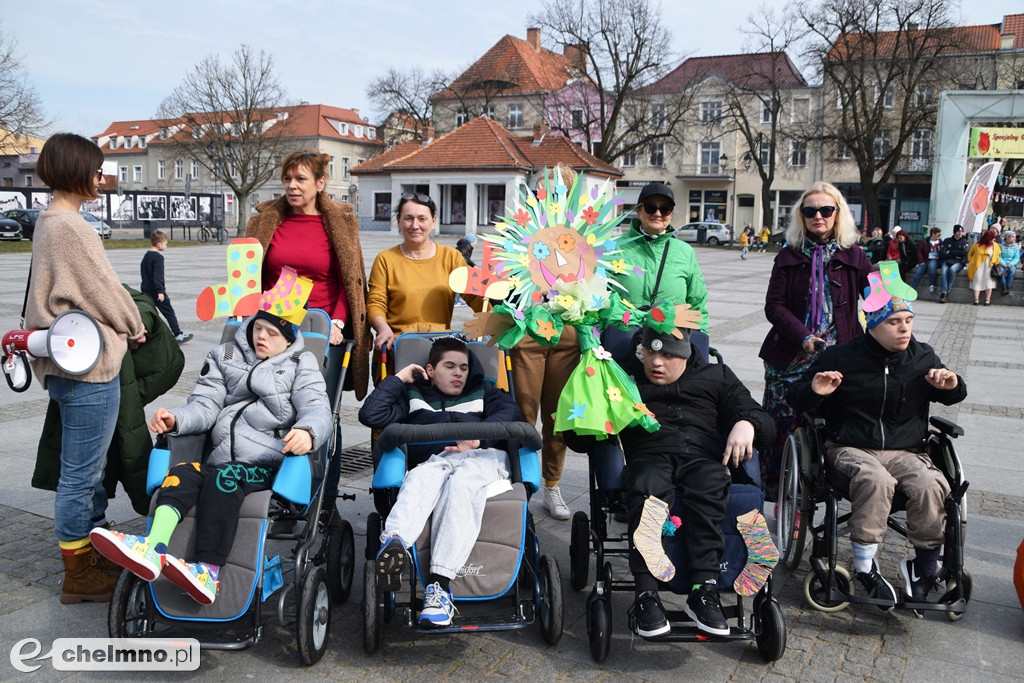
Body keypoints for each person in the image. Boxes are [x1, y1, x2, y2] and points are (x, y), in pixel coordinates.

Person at [90, 306, 332, 605]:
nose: (261, 337)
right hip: (219, 460)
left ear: (288, 338)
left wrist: (308, 431)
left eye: (272, 333)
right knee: (183, 474)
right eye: (258, 328)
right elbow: (204, 406)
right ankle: (153, 547)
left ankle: (207, 570)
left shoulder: (300, 362)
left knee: (224, 478)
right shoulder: (225, 355)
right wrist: (176, 420)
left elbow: (316, 406)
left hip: (268, 463)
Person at [23, 133, 148, 604]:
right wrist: (135, 326)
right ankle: (78, 572)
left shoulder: (48, 220)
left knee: (85, 469)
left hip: (67, 362)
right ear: (76, 170)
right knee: (82, 473)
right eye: (96, 170)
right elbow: (104, 289)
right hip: (88, 367)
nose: (101, 178)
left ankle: (89, 550)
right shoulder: (70, 226)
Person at [787, 286, 966, 609]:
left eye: (909, 320)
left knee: (930, 483)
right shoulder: (840, 357)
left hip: (906, 450)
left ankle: (923, 568)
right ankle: (865, 566)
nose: (905, 329)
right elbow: (796, 399)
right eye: (894, 322)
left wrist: (952, 386)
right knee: (876, 480)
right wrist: (816, 390)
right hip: (849, 447)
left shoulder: (922, 357)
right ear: (872, 324)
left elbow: (952, 392)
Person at [617, 322, 774, 638]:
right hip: (650, 456)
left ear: (687, 353)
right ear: (641, 350)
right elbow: (581, 438)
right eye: (649, 353)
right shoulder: (623, 379)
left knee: (711, 483)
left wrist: (747, 423)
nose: (657, 363)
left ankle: (704, 591)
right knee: (649, 490)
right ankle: (646, 593)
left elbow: (763, 422)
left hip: (702, 458)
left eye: (669, 357)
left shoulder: (717, 377)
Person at [360, 337, 522, 627]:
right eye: (449, 366)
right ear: (430, 370)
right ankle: (395, 542)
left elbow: (511, 415)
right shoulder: (413, 396)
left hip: (480, 458)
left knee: (461, 483)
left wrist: (478, 436)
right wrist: (399, 379)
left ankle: (440, 584)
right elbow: (371, 414)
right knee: (420, 477)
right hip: (435, 459)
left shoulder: (484, 391)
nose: (458, 373)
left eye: (463, 367)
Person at [246, 148, 371, 508]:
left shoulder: (341, 222)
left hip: (321, 330)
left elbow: (352, 281)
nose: (292, 186)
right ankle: (271, 485)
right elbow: (250, 277)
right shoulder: (265, 220)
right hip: (272, 328)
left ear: (320, 183)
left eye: (300, 179)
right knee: (270, 405)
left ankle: (324, 497)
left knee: (319, 410)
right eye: (287, 178)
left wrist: (338, 322)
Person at [758, 182, 872, 498]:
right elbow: (774, 306)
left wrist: (900, 324)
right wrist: (804, 337)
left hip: (840, 353)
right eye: (810, 211)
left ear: (838, 214)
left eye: (825, 210)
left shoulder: (856, 255)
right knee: (783, 427)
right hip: (791, 356)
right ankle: (783, 495)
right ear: (802, 216)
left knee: (835, 426)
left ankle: (828, 486)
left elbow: (880, 300)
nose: (817, 216)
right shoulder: (788, 255)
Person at [509, 164, 582, 521]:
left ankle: (552, 484)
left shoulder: (584, 234)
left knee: (558, 416)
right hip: (528, 336)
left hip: (567, 338)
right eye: (546, 191)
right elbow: (501, 281)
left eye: (560, 192)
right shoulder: (519, 230)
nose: (552, 197)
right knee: (524, 412)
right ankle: (521, 483)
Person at [367, 193, 479, 376]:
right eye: (408, 218)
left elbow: (474, 296)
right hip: (397, 347)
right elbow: (375, 302)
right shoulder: (385, 259)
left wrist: (496, 316)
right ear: (398, 221)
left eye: (422, 219)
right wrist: (382, 328)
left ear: (433, 221)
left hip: (439, 351)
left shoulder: (451, 257)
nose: (415, 226)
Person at [612, 182, 709, 333]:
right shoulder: (614, 248)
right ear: (638, 210)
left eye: (665, 209)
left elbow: (698, 303)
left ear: (671, 214)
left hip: (671, 343)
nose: (657, 214)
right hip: (623, 338)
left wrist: (700, 342)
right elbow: (600, 300)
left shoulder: (684, 251)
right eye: (650, 207)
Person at [140, 230, 192, 344]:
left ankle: (143, 334)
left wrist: (162, 285)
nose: (166, 246)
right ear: (159, 243)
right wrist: (160, 290)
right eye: (165, 243)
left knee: (149, 313)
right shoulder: (158, 257)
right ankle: (178, 334)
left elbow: (146, 274)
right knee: (169, 312)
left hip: (146, 289)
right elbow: (157, 275)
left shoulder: (146, 256)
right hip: (156, 291)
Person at [966, 228, 1001, 306]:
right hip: (978, 266)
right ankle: (976, 300)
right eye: (992, 238)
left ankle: (987, 300)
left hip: (990, 266)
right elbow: (969, 254)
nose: (993, 240)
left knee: (989, 283)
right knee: (977, 280)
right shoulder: (977, 245)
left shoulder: (995, 245)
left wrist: (996, 261)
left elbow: (998, 255)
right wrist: (972, 261)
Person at [938, 224, 970, 303]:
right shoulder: (947, 240)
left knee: (952, 270)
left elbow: (963, 253)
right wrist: (955, 254)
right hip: (947, 260)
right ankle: (943, 292)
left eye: (961, 231)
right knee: (943, 271)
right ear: (954, 232)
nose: (960, 233)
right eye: (958, 231)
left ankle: (947, 289)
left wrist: (951, 251)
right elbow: (942, 253)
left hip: (959, 262)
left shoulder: (964, 241)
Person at [910, 227, 943, 294]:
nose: (939, 236)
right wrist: (921, 260)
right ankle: (912, 289)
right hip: (925, 259)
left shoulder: (940, 242)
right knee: (918, 272)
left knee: (931, 268)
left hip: (935, 259)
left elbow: (942, 251)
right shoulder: (925, 241)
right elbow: (919, 251)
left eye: (940, 235)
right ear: (933, 234)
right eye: (938, 235)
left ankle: (932, 285)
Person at [999, 231, 1020, 295]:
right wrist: (1003, 263)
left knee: (1012, 271)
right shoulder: (1000, 246)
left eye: (1015, 237)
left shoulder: (1016, 246)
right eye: (1013, 237)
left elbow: (1016, 257)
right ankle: (1004, 286)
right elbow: (998, 256)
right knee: (1000, 271)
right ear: (1007, 237)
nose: (1014, 238)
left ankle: (1007, 287)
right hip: (1002, 263)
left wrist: (1011, 264)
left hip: (1011, 263)